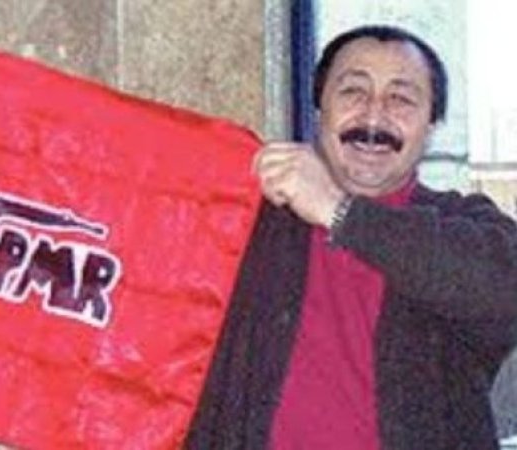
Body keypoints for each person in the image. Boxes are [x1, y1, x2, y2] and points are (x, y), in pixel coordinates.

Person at [184, 24, 517, 450]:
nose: (374, 117)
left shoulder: (463, 225)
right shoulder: (248, 217)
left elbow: (503, 289)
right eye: (353, 92)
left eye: (401, 99)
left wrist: (338, 211)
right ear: (319, 109)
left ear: (432, 125)